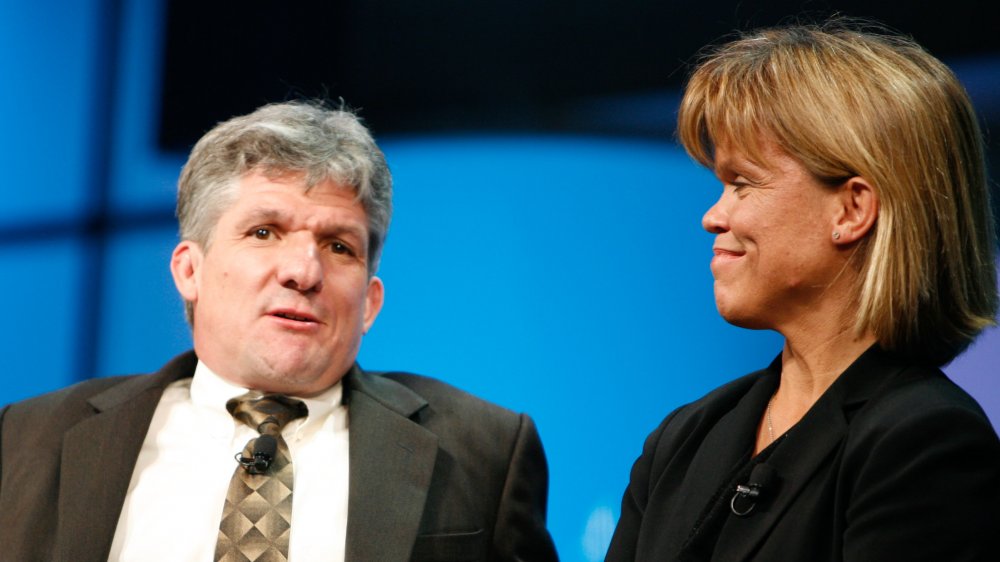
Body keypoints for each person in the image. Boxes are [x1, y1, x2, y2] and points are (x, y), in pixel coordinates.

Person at [0, 101, 558, 561]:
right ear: (190, 270)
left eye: (339, 246)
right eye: (265, 231)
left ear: (369, 301)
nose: (304, 272)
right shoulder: (26, 438)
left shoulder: (484, 452)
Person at [606, 22, 1000, 561]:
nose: (712, 216)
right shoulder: (683, 440)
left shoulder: (925, 443)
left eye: (743, 183)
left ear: (851, 210)